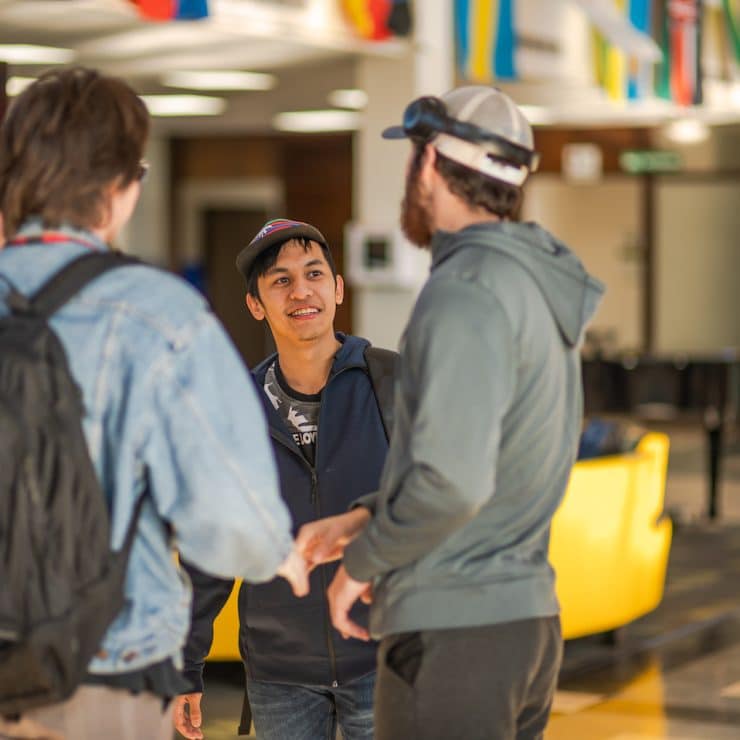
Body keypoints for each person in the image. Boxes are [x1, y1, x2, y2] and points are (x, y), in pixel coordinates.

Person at [0, 67, 307, 740]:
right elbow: (227, 520)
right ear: (120, 188)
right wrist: (275, 552)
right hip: (103, 666)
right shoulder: (157, 316)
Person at [297, 86, 605, 740]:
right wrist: (366, 518)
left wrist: (363, 563)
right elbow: (492, 460)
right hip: (522, 627)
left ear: (430, 163)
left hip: (453, 636)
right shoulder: (532, 286)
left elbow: (453, 483)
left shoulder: (463, 293)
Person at [174, 219, 394, 740]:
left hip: (385, 659)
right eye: (280, 281)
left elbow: (433, 502)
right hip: (280, 676)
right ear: (257, 304)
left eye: (314, 274)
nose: (301, 291)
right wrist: (183, 665)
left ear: (337, 289)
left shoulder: (394, 382)